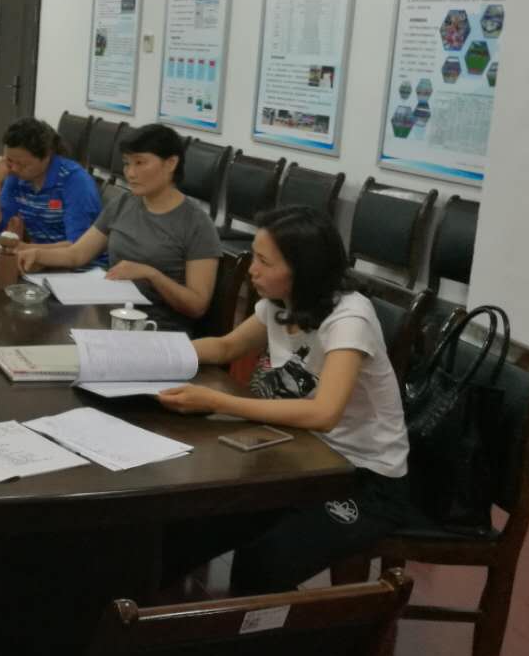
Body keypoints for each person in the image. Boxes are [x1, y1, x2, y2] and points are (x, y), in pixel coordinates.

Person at [157, 205, 413, 594]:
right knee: (186, 529)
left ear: (302, 268)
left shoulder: (349, 318)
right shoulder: (280, 303)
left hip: (363, 478)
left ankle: (266, 632)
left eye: (264, 261)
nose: (252, 270)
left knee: (264, 562)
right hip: (300, 459)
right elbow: (226, 347)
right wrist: (148, 354)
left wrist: (218, 401)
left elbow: (324, 413)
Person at [16, 123, 220, 330]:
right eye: (126, 163)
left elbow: (197, 306)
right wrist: (36, 254)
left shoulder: (196, 223)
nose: (130, 173)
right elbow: (77, 254)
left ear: (171, 163)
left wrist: (152, 275)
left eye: (140, 163)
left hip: (156, 328)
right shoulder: (124, 203)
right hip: (111, 317)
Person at [0, 117, 102, 255]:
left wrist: (25, 248)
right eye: (9, 160)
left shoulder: (75, 181)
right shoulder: (16, 176)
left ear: (46, 157)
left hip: (79, 264)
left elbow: (79, 246)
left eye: (22, 164)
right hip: (39, 260)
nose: (14, 168)